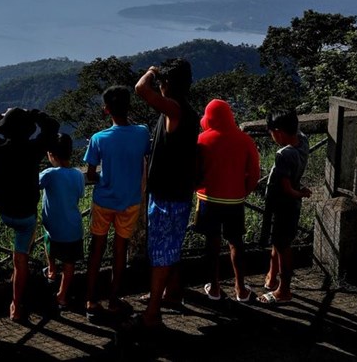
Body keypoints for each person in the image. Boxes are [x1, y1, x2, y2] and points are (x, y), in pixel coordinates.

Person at [0, 107, 59, 321]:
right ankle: (17, 306)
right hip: (26, 215)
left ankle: (15, 275)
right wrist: (33, 113)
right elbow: (52, 126)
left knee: (18, 254)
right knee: (21, 259)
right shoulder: (34, 148)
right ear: (28, 129)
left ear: (4, 130)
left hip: (4, 212)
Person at [130, 58, 200, 330]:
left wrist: (150, 71)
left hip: (167, 196)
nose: (157, 86)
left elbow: (140, 89)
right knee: (170, 248)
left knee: (161, 252)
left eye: (161, 82)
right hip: (176, 192)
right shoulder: (187, 112)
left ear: (168, 84)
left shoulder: (174, 109)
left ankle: (152, 314)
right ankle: (171, 293)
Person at [82, 85, 151, 319]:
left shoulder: (99, 139)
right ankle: (114, 299)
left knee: (96, 250)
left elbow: (91, 174)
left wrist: (103, 177)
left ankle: (91, 300)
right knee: (120, 250)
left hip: (103, 200)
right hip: (130, 201)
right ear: (129, 106)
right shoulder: (142, 133)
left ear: (106, 110)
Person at [195, 99, 260, 302]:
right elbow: (255, 173)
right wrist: (243, 191)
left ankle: (214, 288)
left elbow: (194, 172)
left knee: (211, 243)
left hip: (207, 198)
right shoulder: (245, 140)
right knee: (236, 243)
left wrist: (198, 189)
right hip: (234, 200)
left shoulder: (201, 140)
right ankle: (240, 288)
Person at [258, 109, 311, 306]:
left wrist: (301, 192)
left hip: (283, 204)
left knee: (283, 246)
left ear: (278, 131)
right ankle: (272, 277)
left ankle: (284, 290)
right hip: (292, 205)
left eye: (271, 133)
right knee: (279, 241)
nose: (272, 137)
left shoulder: (284, 154)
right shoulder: (302, 140)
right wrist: (300, 191)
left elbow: (286, 189)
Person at [38, 133, 86, 310]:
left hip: (53, 229)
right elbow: (80, 195)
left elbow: (34, 184)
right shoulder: (78, 175)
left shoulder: (49, 174)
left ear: (52, 155)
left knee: (48, 240)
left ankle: (51, 270)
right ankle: (62, 295)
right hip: (73, 229)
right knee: (69, 264)